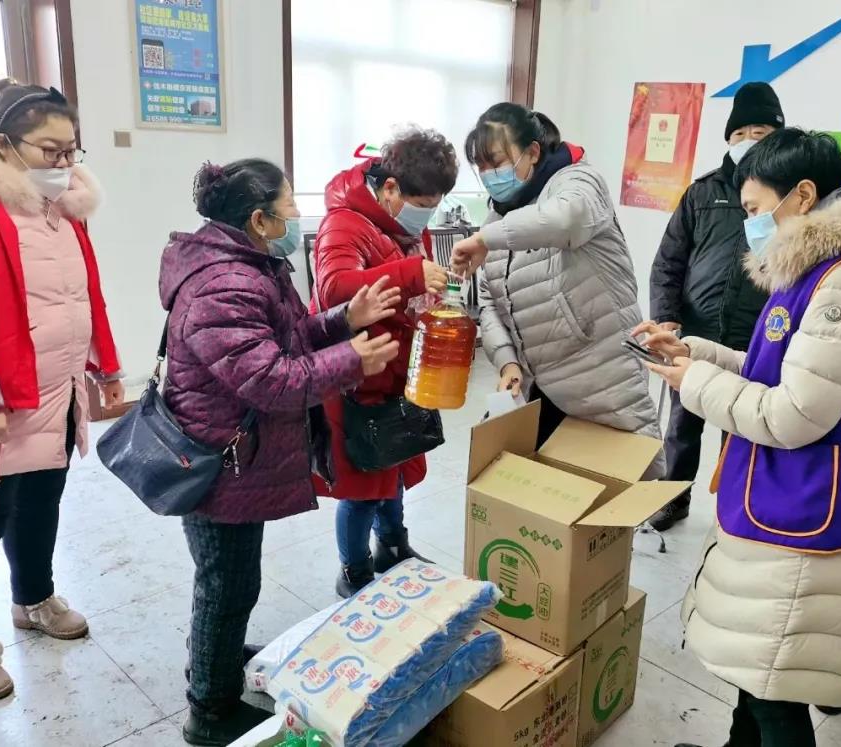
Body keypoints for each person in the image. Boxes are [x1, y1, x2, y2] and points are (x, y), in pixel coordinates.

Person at [641, 128, 841, 747]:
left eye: (756, 208)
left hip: (809, 509)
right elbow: (774, 370)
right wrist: (693, 353)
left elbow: (793, 414)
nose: (751, 224)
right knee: (756, 662)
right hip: (786, 496)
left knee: (775, 687)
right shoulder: (821, 269)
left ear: (803, 196)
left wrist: (694, 382)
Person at [159, 159, 400, 745]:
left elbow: (285, 338)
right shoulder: (224, 284)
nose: (298, 215)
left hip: (238, 455)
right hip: (218, 461)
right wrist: (352, 360)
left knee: (230, 577)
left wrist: (344, 320)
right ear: (259, 219)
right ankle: (209, 709)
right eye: (290, 205)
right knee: (227, 582)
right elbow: (271, 379)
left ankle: (214, 655)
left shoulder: (252, 264)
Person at [0, 80, 123, 701]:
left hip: (54, 389)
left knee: (41, 500)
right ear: (3, 143)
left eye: (71, 151)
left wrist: (103, 367)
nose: (64, 164)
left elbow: (80, 294)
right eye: (50, 150)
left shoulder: (57, 206)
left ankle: (33, 598)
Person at [451, 102, 663, 454]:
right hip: (539, 385)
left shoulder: (577, 181)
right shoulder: (498, 216)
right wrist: (507, 362)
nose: (490, 175)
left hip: (600, 377)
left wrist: (485, 240)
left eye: (497, 162)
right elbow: (490, 301)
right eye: (482, 167)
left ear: (533, 152)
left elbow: (566, 220)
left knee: (608, 478)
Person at [311, 128, 456, 598]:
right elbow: (334, 289)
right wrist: (412, 275)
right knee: (362, 487)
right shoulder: (345, 223)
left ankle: (392, 547)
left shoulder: (401, 225)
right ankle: (354, 571)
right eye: (423, 204)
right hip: (359, 377)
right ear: (389, 188)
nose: (426, 214)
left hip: (397, 374)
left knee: (393, 468)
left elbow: (412, 285)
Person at [647, 82, 785, 530]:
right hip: (695, 332)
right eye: (739, 133)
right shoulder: (702, 193)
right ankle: (673, 498)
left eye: (760, 132)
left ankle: (735, 507)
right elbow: (668, 262)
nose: (748, 141)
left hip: (753, 336)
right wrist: (667, 316)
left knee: (740, 427)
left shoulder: (787, 198)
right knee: (682, 424)